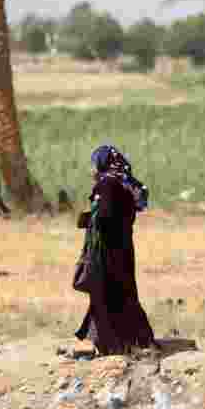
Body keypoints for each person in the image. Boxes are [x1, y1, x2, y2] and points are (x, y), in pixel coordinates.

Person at [74, 145, 156, 356]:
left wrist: (89, 219)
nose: (92, 169)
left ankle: (112, 345)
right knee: (122, 292)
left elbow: (105, 215)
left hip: (106, 251)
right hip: (123, 247)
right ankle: (133, 340)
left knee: (105, 294)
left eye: (94, 164)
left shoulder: (107, 184)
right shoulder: (122, 183)